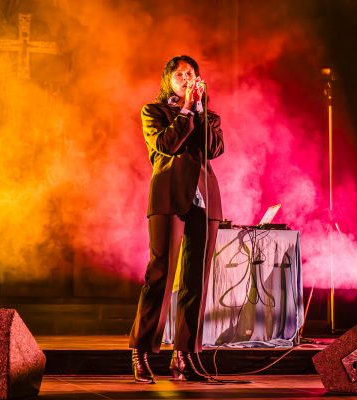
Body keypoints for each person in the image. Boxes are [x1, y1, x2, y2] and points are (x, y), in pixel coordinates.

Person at [129, 55, 225, 383]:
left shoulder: (209, 116)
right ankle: (142, 351)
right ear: (168, 80)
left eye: (191, 74)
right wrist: (185, 110)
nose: (186, 78)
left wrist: (198, 110)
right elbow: (166, 145)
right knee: (161, 272)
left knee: (196, 279)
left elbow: (212, 150)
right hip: (168, 194)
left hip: (204, 198)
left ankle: (185, 355)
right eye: (179, 74)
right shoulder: (153, 112)